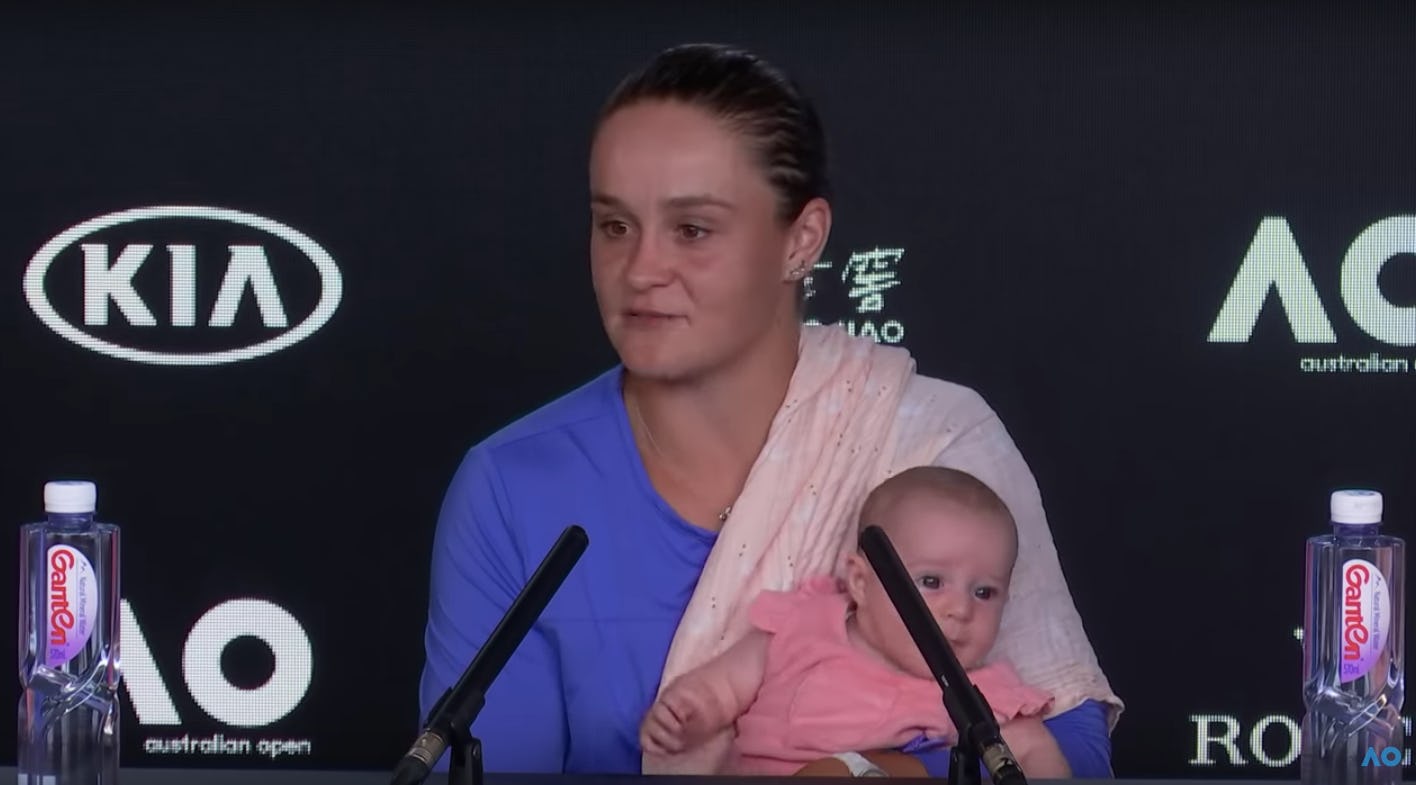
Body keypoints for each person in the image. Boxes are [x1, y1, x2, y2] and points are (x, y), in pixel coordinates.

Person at [418, 42, 1123, 777]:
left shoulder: (937, 444)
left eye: (692, 230)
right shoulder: (511, 485)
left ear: (802, 240)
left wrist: (866, 772)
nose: (641, 270)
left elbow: (1064, 751)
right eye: (614, 225)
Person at [639, 467, 1070, 779]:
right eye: (931, 581)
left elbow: (1034, 750)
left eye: (984, 592)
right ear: (861, 582)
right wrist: (687, 712)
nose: (960, 609)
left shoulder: (981, 694)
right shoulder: (804, 625)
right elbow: (725, 685)